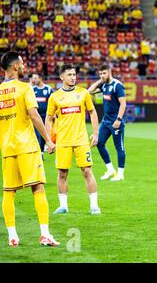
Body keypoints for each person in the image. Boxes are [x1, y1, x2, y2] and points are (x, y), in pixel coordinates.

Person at [0, 51, 59, 247]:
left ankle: (12, 235)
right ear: (15, 66)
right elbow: (34, 116)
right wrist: (49, 141)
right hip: (26, 146)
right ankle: (44, 234)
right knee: (38, 187)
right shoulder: (25, 88)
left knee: (8, 191)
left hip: (7, 148)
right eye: (22, 63)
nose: (24, 66)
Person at [45, 64, 101, 215]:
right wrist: (49, 141)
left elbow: (92, 112)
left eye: (74, 74)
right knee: (62, 173)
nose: (73, 77)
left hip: (81, 140)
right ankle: (63, 206)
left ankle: (94, 206)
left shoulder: (83, 93)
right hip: (63, 142)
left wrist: (95, 134)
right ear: (62, 77)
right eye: (69, 74)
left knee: (87, 171)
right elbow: (49, 119)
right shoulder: (55, 97)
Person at [88, 65, 127, 181]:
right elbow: (89, 91)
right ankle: (110, 170)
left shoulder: (117, 85)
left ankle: (120, 174)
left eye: (104, 73)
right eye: (100, 74)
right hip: (106, 121)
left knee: (119, 147)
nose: (102, 75)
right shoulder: (104, 85)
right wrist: (100, 80)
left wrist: (119, 120)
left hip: (116, 122)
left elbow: (123, 104)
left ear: (110, 72)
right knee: (99, 143)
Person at [31, 72, 54, 158]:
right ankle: (40, 152)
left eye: (35, 78)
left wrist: (53, 114)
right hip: (36, 116)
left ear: (40, 78)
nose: (34, 80)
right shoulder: (32, 89)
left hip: (46, 116)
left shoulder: (48, 89)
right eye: (33, 78)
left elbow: (53, 102)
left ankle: (42, 150)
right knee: (38, 134)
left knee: (45, 133)